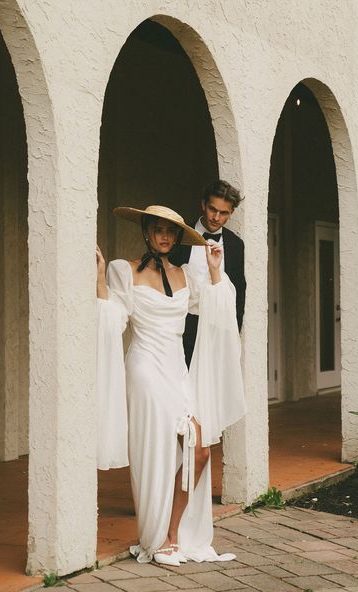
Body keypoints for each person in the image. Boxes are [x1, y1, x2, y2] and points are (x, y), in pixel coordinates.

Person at [96, 205, 246, 567]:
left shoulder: (184, 275)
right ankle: (155, 537)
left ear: (178, 237)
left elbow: (215, 310)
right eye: (158, 229)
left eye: (171, 231)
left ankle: (173, 533)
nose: (164, 236)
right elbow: (114, 319)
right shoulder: (123, 269)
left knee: (199, 449)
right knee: (155, 452)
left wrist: (213, 271)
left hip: (177, 370)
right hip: (145, 368)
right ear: (146, 231)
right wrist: (100, 279)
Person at [170, 180, 246, 367]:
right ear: (203, 204)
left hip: (219, 328)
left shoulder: (236, 244)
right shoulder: (179, 235)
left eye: (224, 213)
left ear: (231, 213)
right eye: (213, 209)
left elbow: (239, 291)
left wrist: (233, 333)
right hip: (184, 327)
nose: (216, 217)